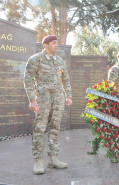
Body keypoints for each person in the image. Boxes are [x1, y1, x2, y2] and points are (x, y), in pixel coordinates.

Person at [24, 35, 72, 175]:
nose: (56, 45)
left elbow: (66, 79)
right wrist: (32, 99)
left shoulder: (60, 61)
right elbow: (28, 80)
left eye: (57, 42)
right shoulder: (35, 59)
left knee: (55, 128)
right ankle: (38, 161)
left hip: (58, 99)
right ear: (45, 45)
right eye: (53, 43)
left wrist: (68, 95)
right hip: (43, 98)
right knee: (39, 128)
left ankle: (53, 158)